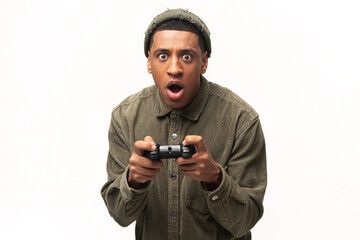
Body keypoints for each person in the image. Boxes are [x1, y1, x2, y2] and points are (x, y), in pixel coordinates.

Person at [101, 8, 267, 240]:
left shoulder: (241, 120)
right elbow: (121, 216)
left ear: (204, 62)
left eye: (187, 56)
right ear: (149, 62)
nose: (174, 68)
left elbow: (245, 221)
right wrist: (134, 181)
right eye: (162, 56)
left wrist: (214, 179)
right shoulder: (125, 117)